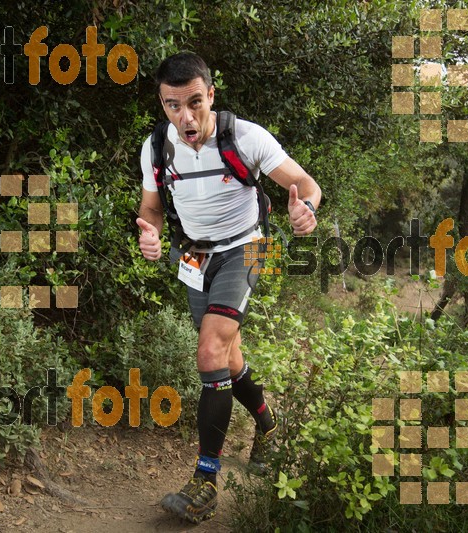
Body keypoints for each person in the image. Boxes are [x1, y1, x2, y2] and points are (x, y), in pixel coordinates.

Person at [136, 52, 321, 523]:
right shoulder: (156, 148)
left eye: (194, 102)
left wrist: (308, 210)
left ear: (211, 95)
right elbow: (152, 210)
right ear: (162, 104)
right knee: (225, 356)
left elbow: (304, 184)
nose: (186, 117)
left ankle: (205, 480)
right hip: (195, 255)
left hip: (250, 246)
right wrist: (151, 234)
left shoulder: (245, 136)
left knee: (209, 353)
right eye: (173, 106)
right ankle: (266, 422)